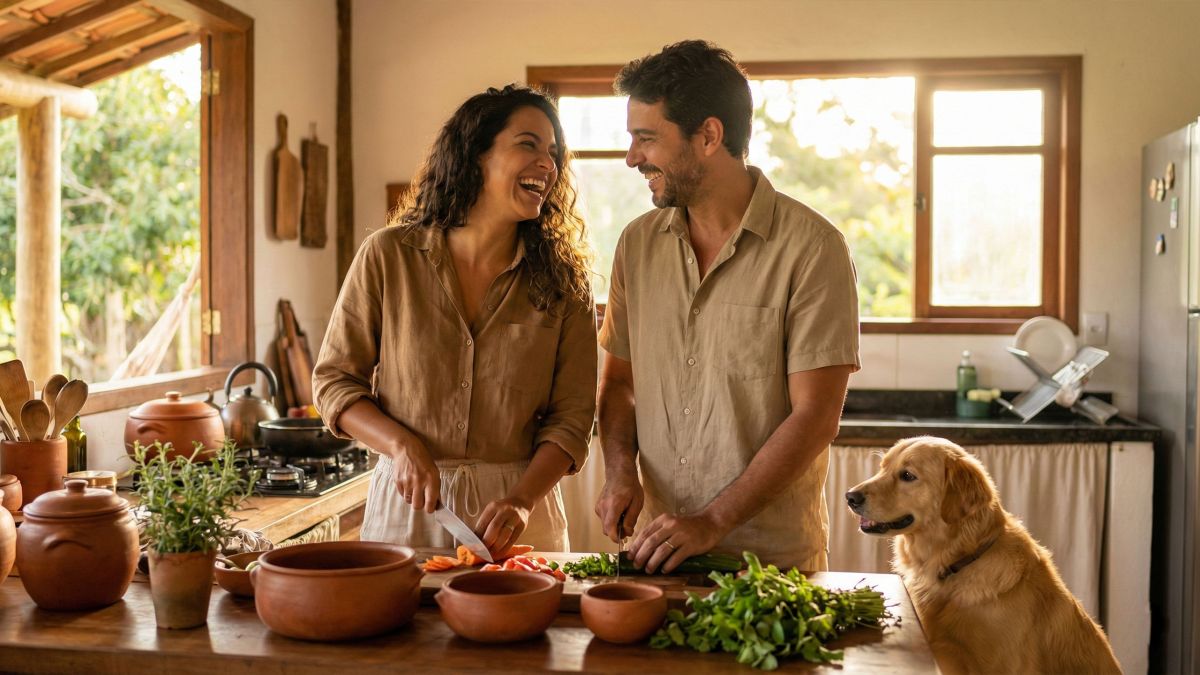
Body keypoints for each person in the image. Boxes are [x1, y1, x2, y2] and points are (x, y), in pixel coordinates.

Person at [594, 40, 860, 573]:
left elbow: (815, 417)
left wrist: (713, 520)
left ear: (709, 136)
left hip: (773, 566)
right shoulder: (636, 245)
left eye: (647, 139)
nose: (632, 158)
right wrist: (622, 470)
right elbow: (620, 383)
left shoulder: (813, 249)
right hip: (660, 553)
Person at [313, 85, 596, 555]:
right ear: (475, 155)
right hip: (410, 505)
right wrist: (401, 446)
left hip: (519, 513)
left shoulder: (565, 283)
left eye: (553, 152)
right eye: (528, 144)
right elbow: (335, 383)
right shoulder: (388, 256)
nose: (548, 163)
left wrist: (522, 500)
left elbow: (572, 419)